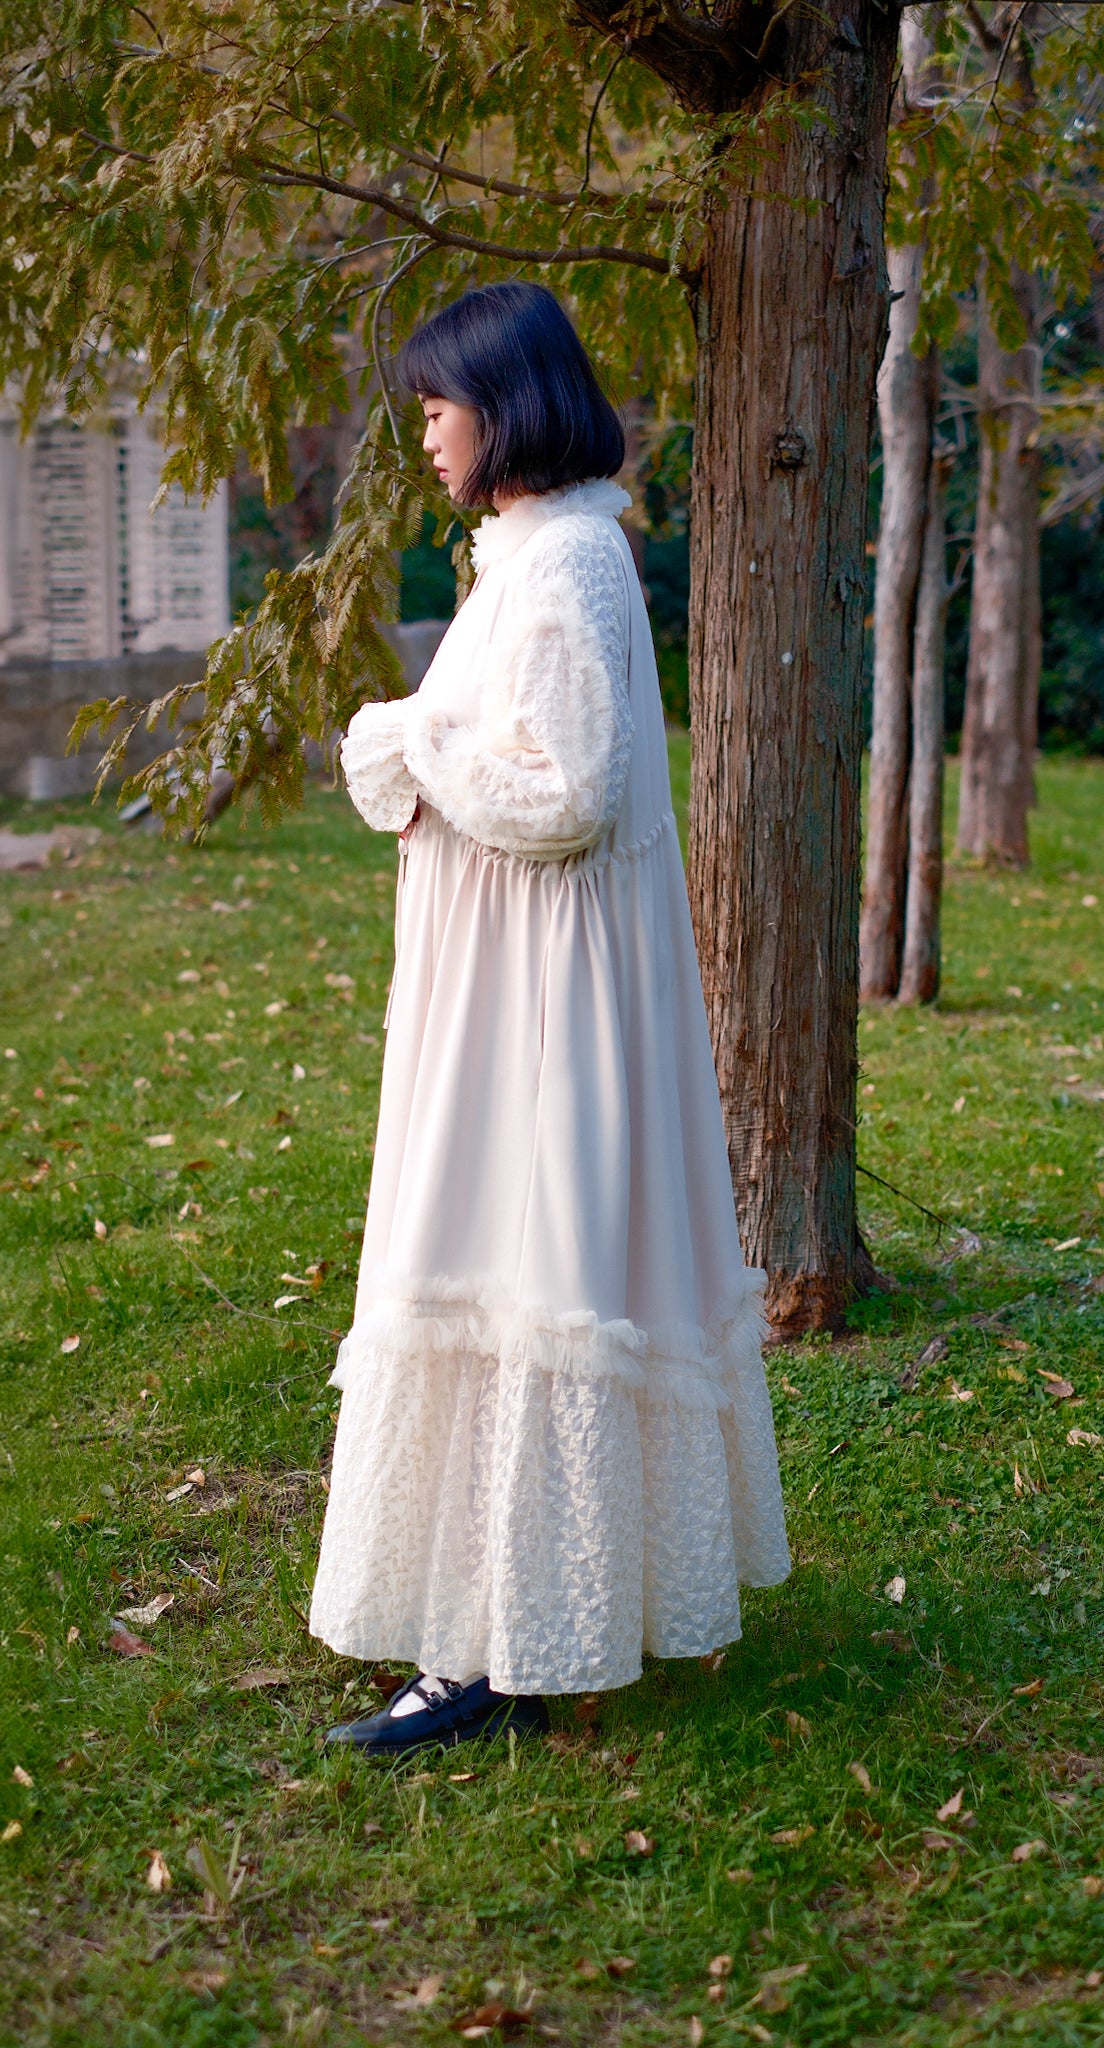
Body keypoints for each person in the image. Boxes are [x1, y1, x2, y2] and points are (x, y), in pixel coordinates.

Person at [311, 281, 789, 1758]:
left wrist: (407, 738)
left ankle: (501, 1639)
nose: (427, 438)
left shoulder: (570, 560)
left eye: (438, 410)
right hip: (500, 978)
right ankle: (499, 1618)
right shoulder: (529, 553)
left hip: (541, 997)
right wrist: (424, 744)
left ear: (506, 406)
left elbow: (564, 794)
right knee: (496, 1255)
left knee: (523, 1261)